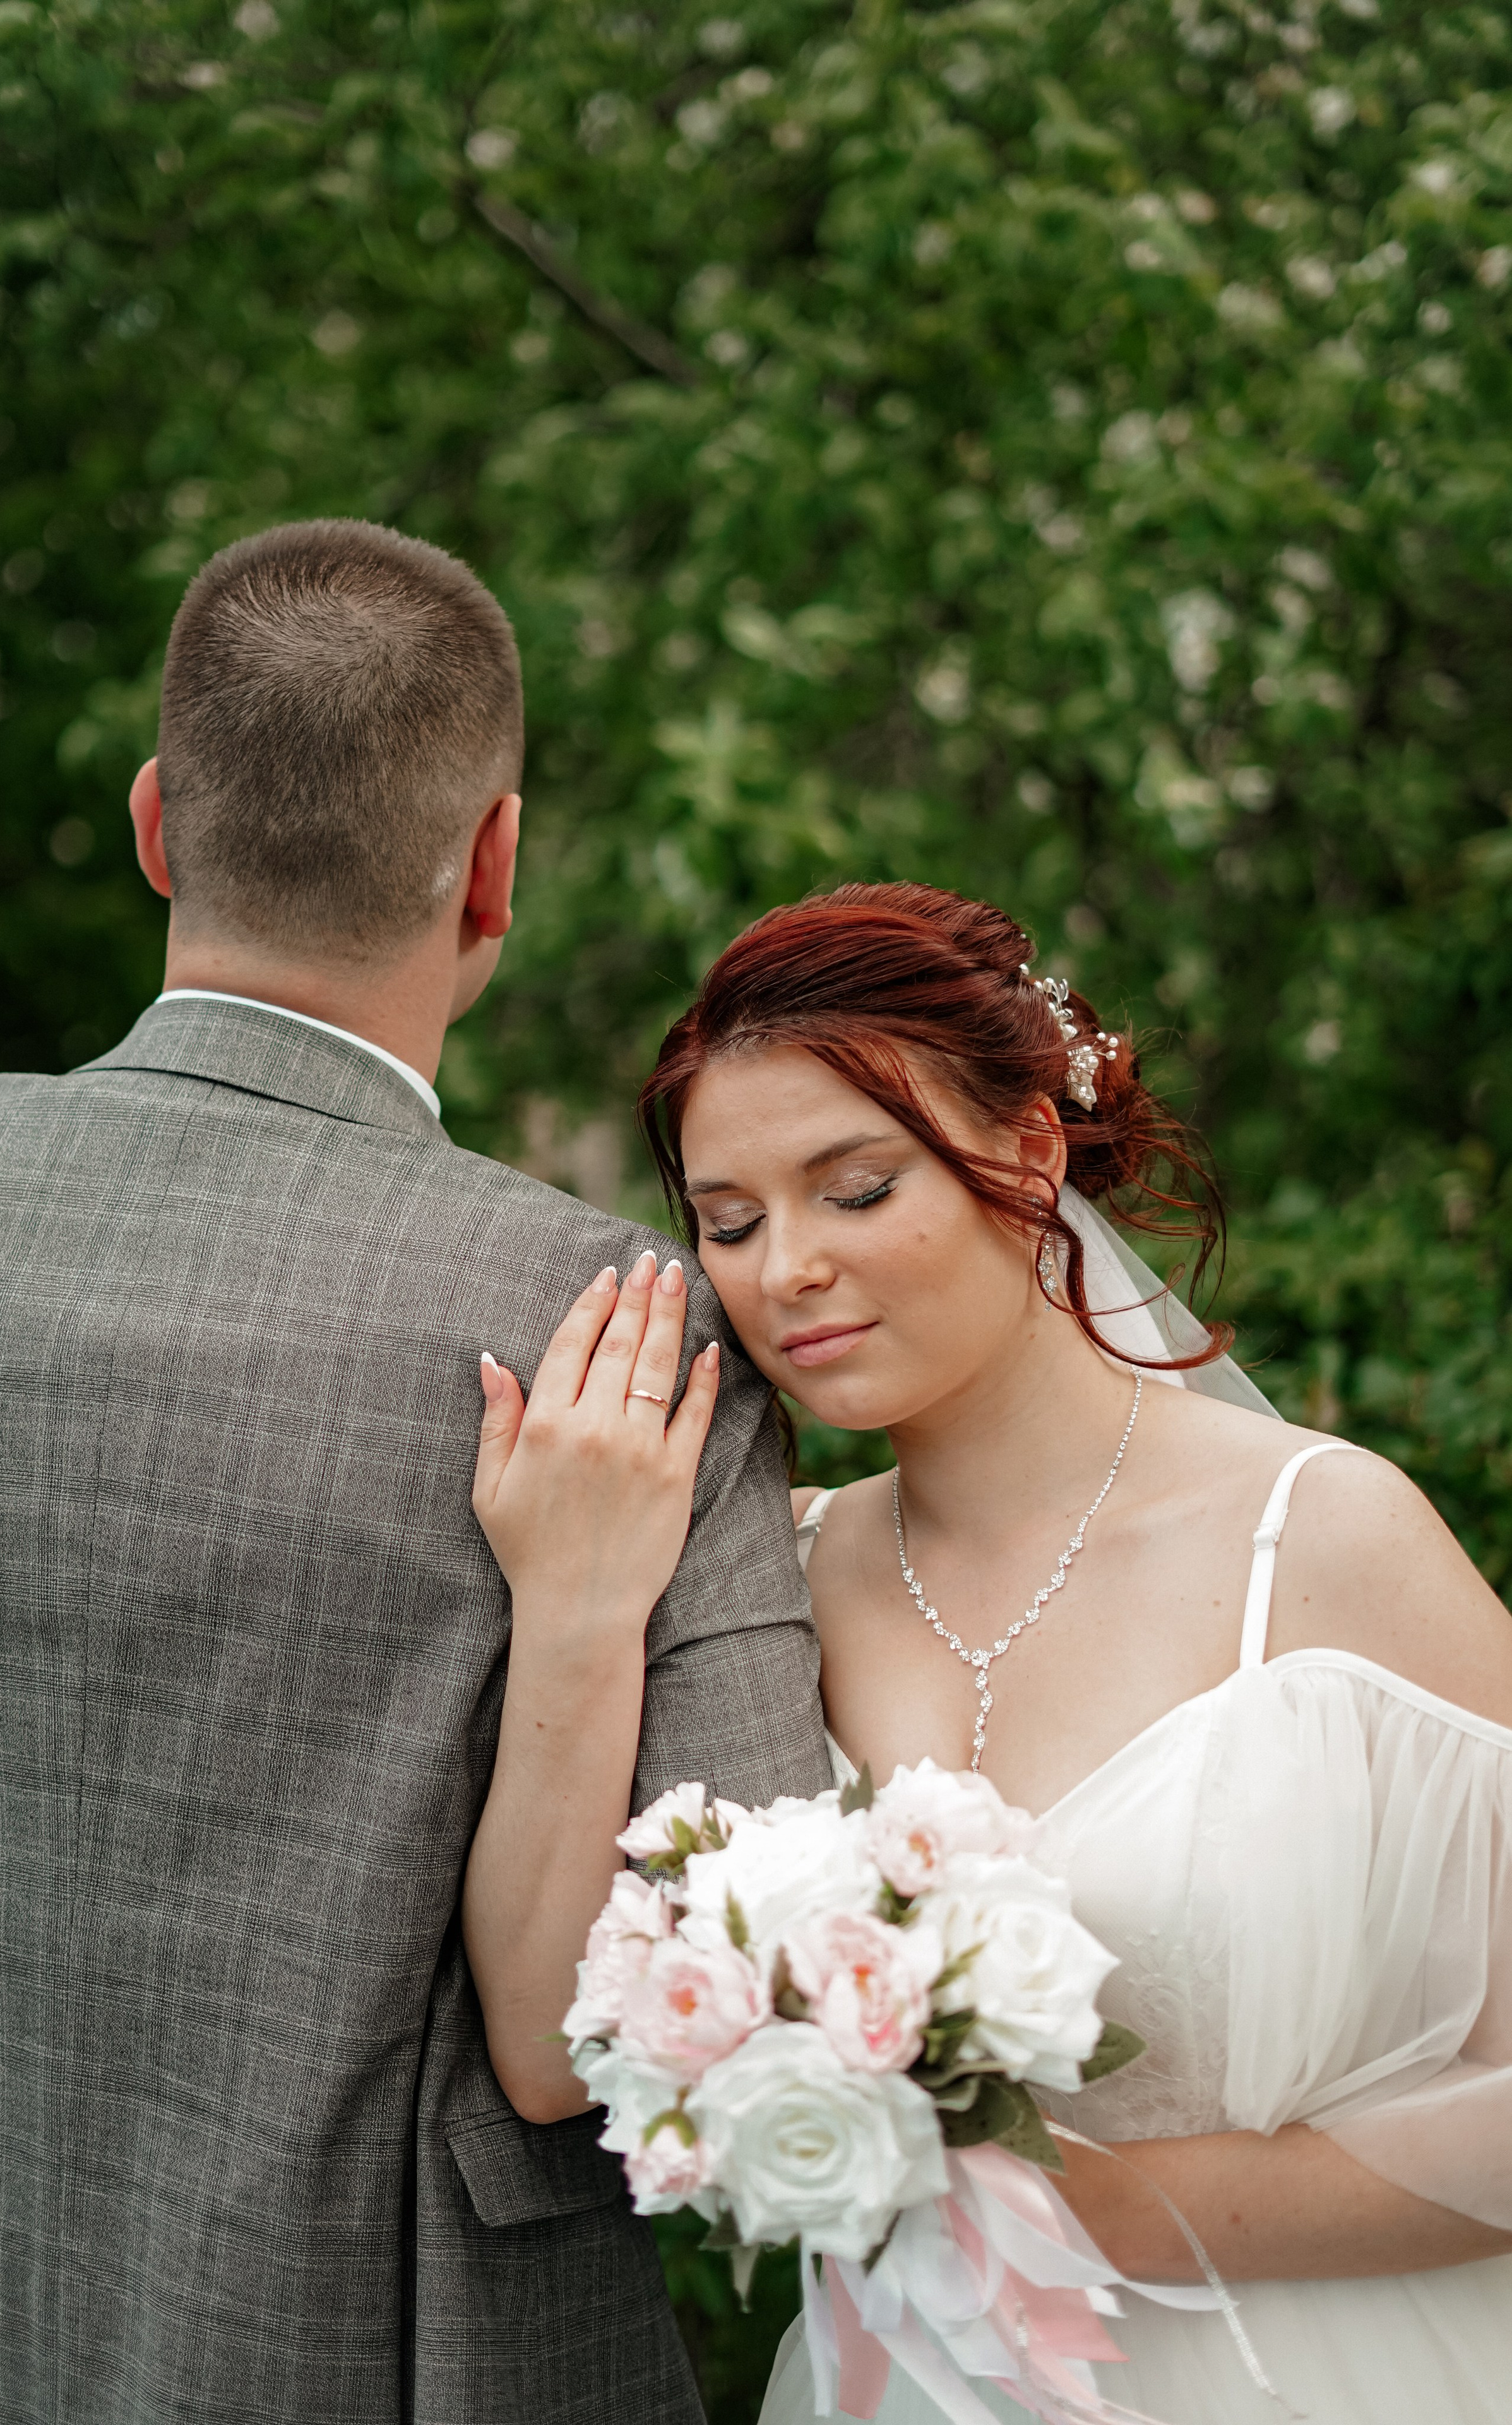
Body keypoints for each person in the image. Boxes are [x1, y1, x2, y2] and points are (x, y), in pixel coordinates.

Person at [0, 518, 831, 2425]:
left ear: (160, 824)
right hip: (380, 2359)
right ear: (494, 867)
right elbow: (694, 1986)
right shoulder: (616, 1327)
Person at [468, 882, 1512, 2425]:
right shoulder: (775, 1582)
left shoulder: (1324, 1537)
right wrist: (573, 1610)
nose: (785, 1273)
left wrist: (1052, 2207)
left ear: (1027, 1154)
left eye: (856, 1189)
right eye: (730, 1223)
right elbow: (554, 2061)